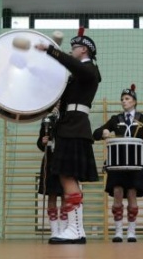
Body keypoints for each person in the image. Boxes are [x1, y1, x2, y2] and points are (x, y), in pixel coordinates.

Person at [34, 27, 101, 244]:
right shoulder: (75, 75)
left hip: (75, 128)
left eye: (74, 48)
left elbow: (72, 65)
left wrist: (53, 51)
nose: (72, 52)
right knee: (67, 177)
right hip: (68, 127)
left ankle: (75, 228)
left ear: (83, 50)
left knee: (68, 176)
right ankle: (77, 229)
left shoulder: (91, 70)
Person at [93, 84, 143, 243]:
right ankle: (118, 231)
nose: (123, 102)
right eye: (122, 99)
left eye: (127, 99)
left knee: (132, 194)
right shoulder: (115, 119)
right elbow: (96, 133)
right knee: (118, 193)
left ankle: (132, 232)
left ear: (134, 101)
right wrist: (103, 133)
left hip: (135, 162)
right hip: (118, 161)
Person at [36, 108, 64, 239]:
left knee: (66, 195)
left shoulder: (67, 117)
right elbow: (40, 143)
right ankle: (54, 231)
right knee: (51, 195)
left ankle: (64, 230)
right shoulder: (47, 120)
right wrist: (43, 142)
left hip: (65, 159)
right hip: (50, 160)